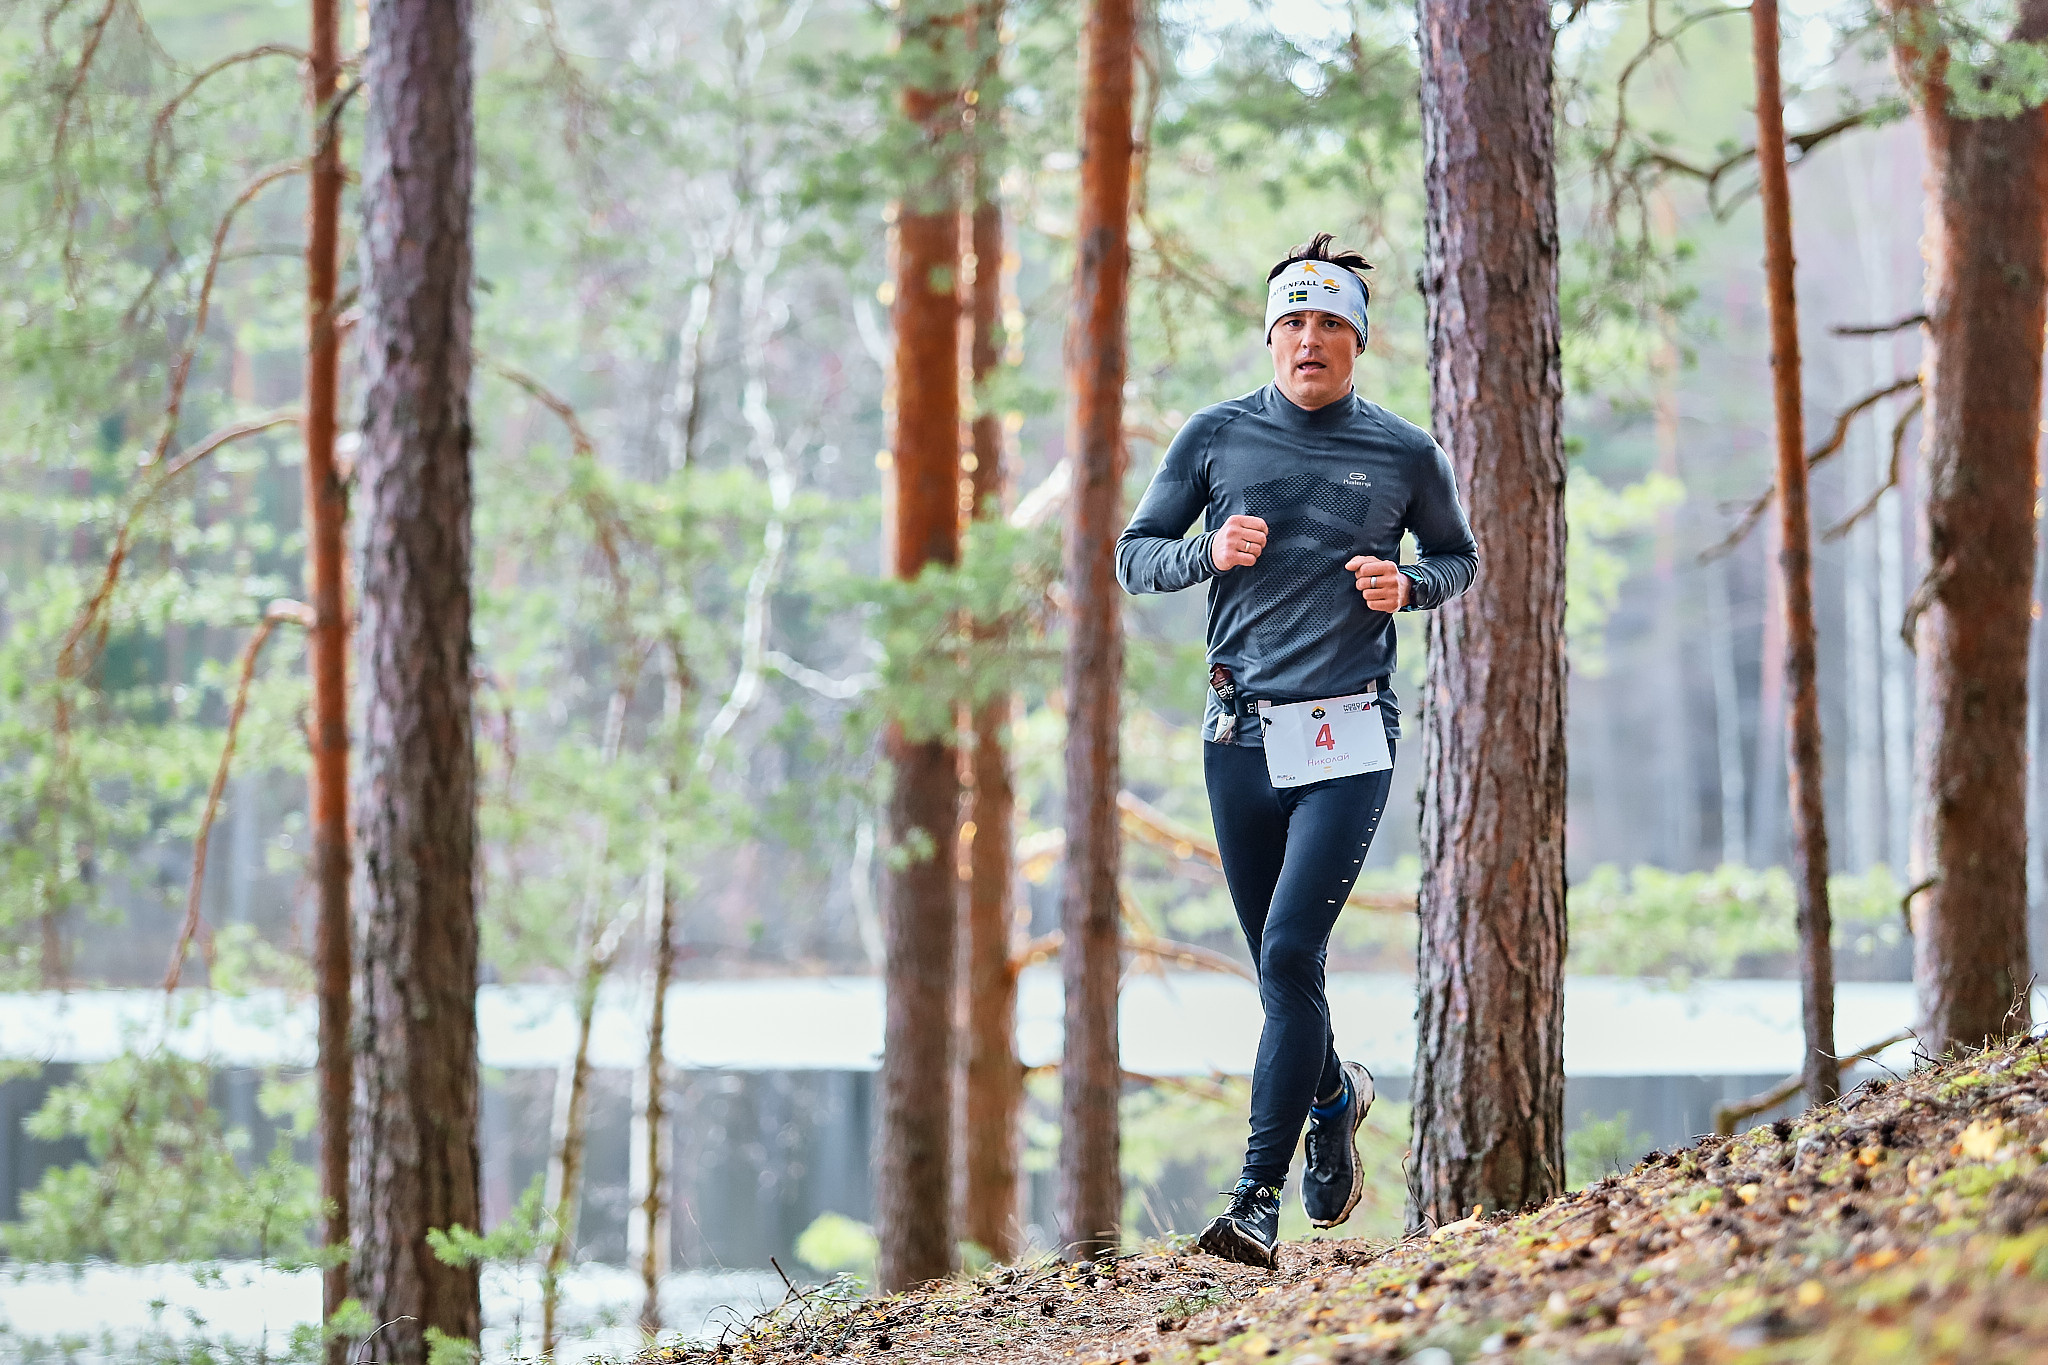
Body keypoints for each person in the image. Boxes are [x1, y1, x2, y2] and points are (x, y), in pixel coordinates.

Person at [1115, 233, 1478, 1268]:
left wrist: (1409, 586)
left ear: (1357, 340)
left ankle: (1253, 1202)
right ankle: (1334, 1096)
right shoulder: (1214, 436)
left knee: (1286, 954)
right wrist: (1205, 551)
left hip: (1347, 731)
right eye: (1293, 322)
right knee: (1282, 971)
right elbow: (1133, 556)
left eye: (1329, 323)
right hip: (1238, 733)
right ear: (1270, 337)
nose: (1309, 338)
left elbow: (1457, 556)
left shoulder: (1404, 452)